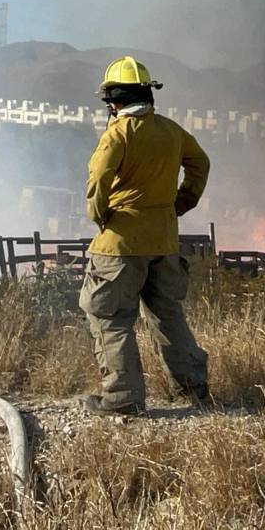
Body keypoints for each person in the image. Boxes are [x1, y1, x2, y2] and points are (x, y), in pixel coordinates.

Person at [80, 56, 212, 416]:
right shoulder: (172, 132)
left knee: (109, 316)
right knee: (167, 313)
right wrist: (180, 204)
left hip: (119, 245)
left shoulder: (116, 135)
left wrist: (102, 217)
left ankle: (123, 398)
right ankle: (192, 388)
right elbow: (200, 163)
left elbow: (97, 183)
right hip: (165, 242)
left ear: (113, 102)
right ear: (148, 94)